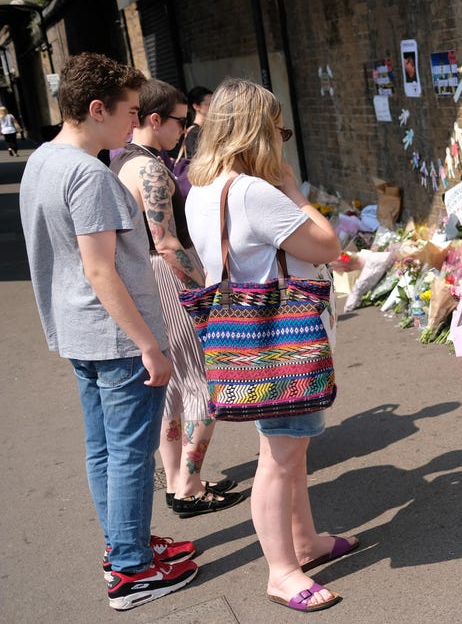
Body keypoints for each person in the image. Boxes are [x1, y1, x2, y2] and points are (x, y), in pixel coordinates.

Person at [19, 52, 198, 610]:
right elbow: (100, 269)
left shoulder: (42, 160)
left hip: (79, 331)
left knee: (104, 450)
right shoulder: (88, 174)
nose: (134, 122)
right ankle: (131, 569)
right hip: (118, 338)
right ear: (97, 109)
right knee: (129, 454)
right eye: (129, 112)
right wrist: (148, 345)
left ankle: (125, 545)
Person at [185, 78, 355, 613]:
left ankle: (304, 542)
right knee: (279, 458)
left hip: (248, 341)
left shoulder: (202, 189)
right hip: (280, 341)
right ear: (256, 132)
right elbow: (327, 245)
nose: (281, 142)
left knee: (288, 449)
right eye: (277, 131)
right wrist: (295, 192)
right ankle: (281, 571)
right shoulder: (253, 193)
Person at [111, 78, 245, 519]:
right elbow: (167, 243)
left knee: (173, 385)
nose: (184, 131)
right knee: (205, 381)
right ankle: (188, 485)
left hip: (144, 277)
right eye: (179, 122)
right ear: (155, 119)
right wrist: (207, 286)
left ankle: (177, 480)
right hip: (166, 277)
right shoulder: (149, 169)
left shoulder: (123, 159)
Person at [172, 86, 212, 199]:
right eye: (209, 104)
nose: (213, 107)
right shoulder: (194, 132)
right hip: (200, 185)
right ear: (196, 106)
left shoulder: (208, 129)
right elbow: (197, 160)